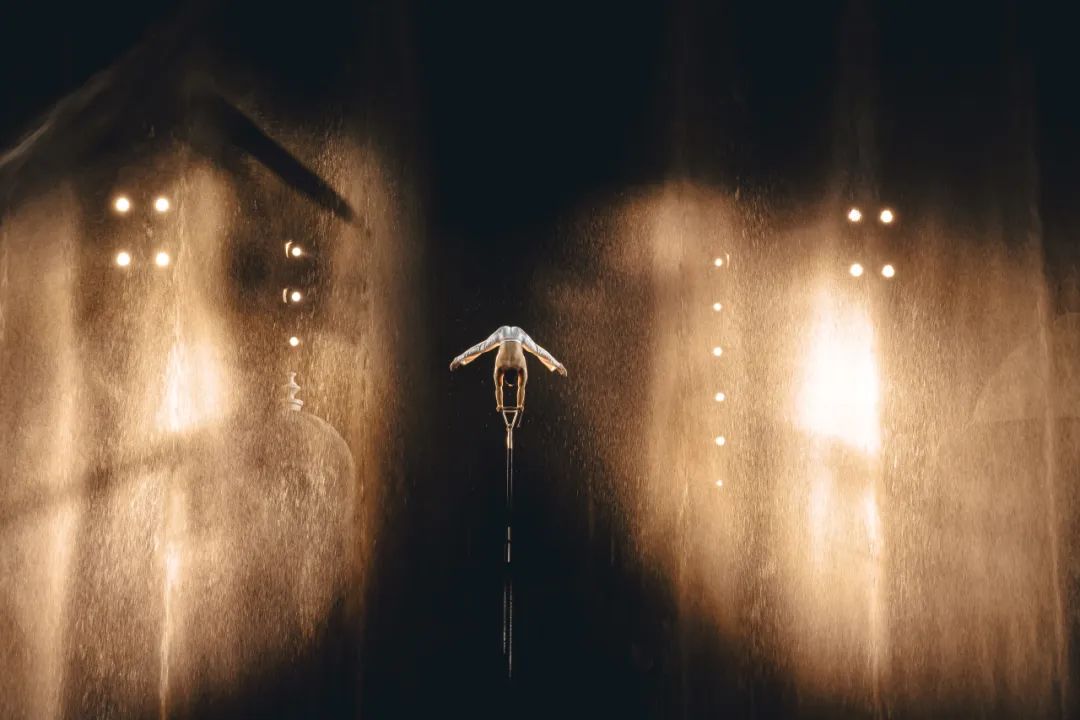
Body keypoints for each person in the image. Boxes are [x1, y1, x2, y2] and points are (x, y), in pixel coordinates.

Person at [450, 325, 567, 412]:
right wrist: (515, 405)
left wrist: (501, 405)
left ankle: (458, 359)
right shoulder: (505, 367)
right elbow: (515, 388)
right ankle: (458, 359)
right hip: (513, 335)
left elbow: (503, 388)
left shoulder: (514, 367)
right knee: (536, 350)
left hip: (508, 334)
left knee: (482, 347)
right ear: (504, 375)